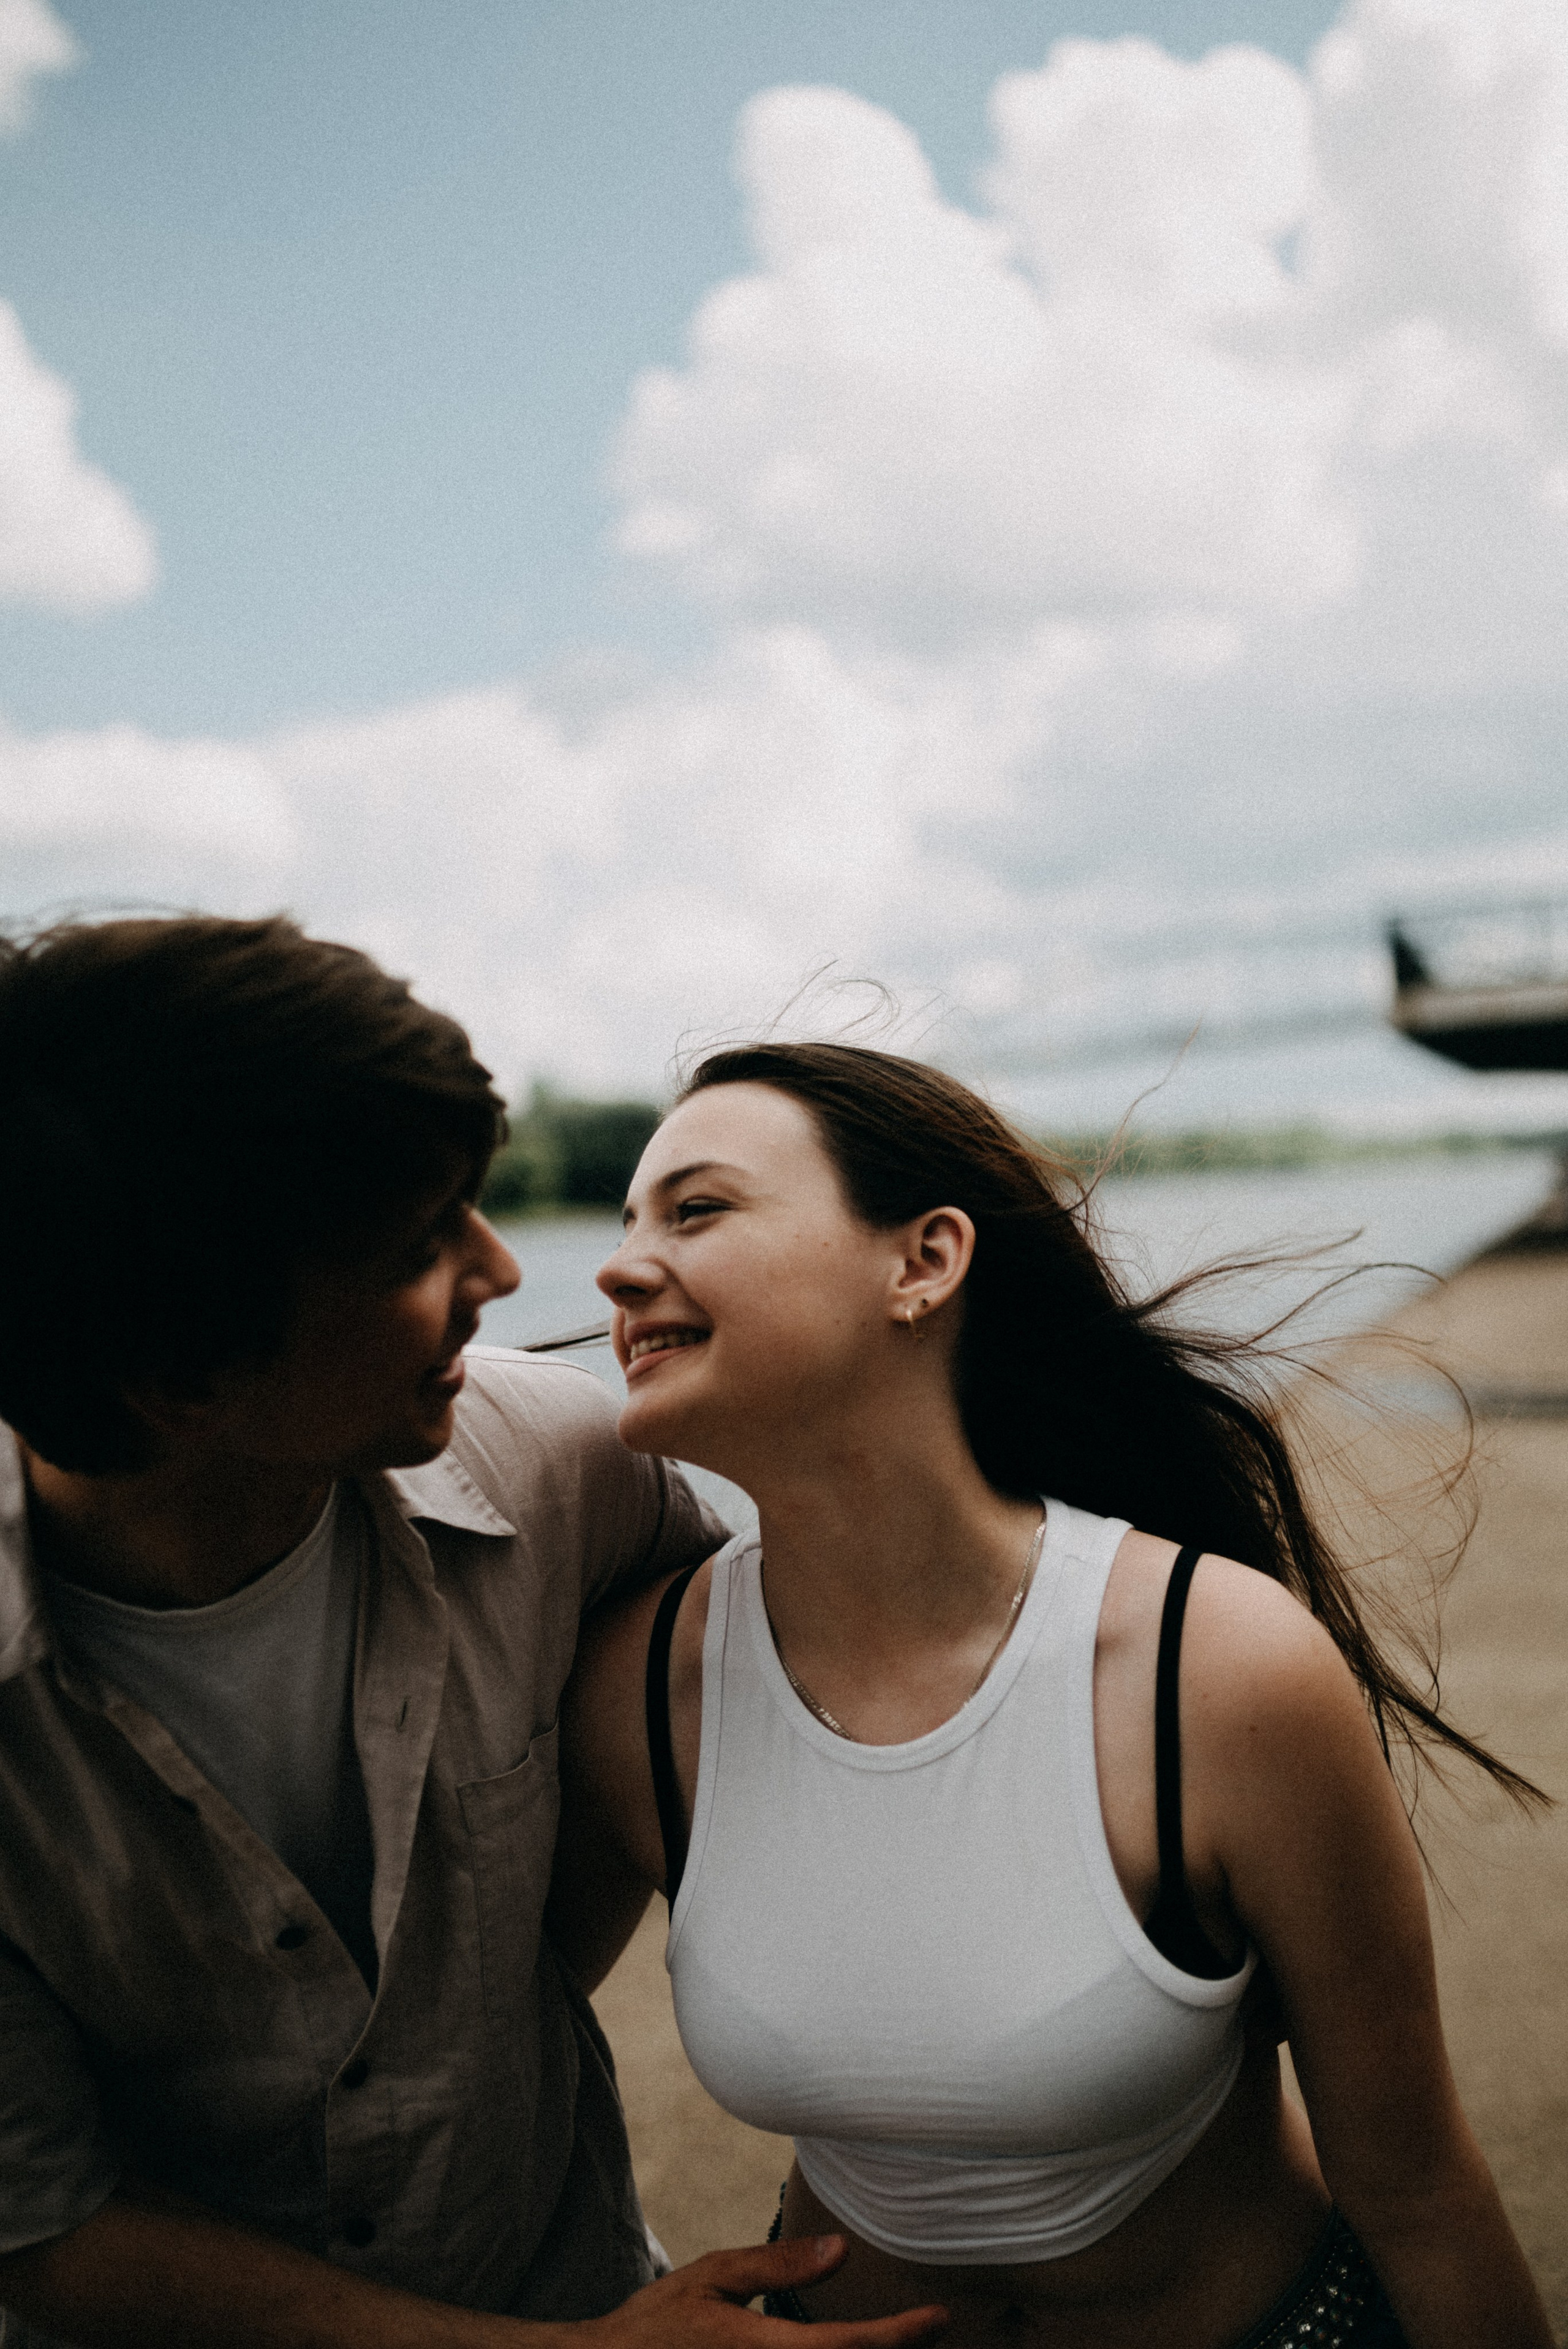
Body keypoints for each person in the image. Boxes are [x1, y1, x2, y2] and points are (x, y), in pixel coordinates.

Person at [0, 922, 944, 2349]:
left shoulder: (571, 1470)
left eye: (473, 1204)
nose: (501, 1269)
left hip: (567, 2267)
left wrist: (513, 1983)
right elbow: (47, 2225)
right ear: (177, 1378)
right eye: (414, 1246)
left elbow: (736, 1685)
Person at [552, 1041, 1555, 2349]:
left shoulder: (1218, 1670)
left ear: (923, 1262)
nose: (621, 1267)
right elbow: (471, 2069)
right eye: (626, 1223)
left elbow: (1416, 2191)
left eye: (695, 1210)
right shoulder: (639, 1694)